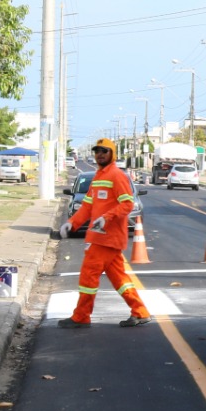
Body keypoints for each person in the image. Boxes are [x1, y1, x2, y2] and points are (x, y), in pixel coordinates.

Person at [57, 138, 152, 328]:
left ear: (112, 153)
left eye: (104, 151)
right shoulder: (98, 178)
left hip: (107, 238)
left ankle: (81, 317)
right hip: (102, 237)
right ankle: (140, 312)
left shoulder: (117, 176)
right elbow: (87, 206)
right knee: (120, 279)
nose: (100, 154)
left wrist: (106, 218)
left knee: (88, 276)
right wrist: (72, 223)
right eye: (97, 151)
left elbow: (127, 204)